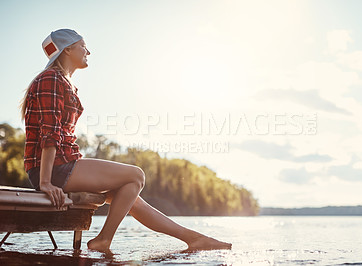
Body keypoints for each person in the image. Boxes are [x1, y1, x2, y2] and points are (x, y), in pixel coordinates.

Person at [19, 28, 232, 253]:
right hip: (54, 169)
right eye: (83, 46)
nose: (88, 51)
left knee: (130, 194)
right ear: (68, 49)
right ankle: (103, 241)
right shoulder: (51, 79)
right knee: (136, 175)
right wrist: (45, 183)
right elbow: (49, 133)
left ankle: (193, 238)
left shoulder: (63, 82)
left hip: (62, 165)